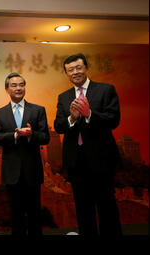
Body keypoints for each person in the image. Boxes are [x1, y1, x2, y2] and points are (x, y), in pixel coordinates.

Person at [54, 53, 122, 236]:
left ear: (86, 68)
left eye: (78, 68)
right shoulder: (64, 97)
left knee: (106, 204)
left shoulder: (105, 90)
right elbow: (58, 126)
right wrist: (72, 118)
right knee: (83, 208)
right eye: (70, 70)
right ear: (66, 73)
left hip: (101, 159)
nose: (75, 72)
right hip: (76, 162)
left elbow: (113, 119)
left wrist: (89, 114)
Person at [0, 73, 50, 235]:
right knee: (16, 215)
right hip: (11, 172)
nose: (18, 88)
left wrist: (31, 134)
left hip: (32, 169)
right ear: (7, 89)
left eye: (21, 85)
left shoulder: (38, 110)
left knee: (34, 215)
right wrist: (15, 135)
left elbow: (45, 137)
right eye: (14, 85)